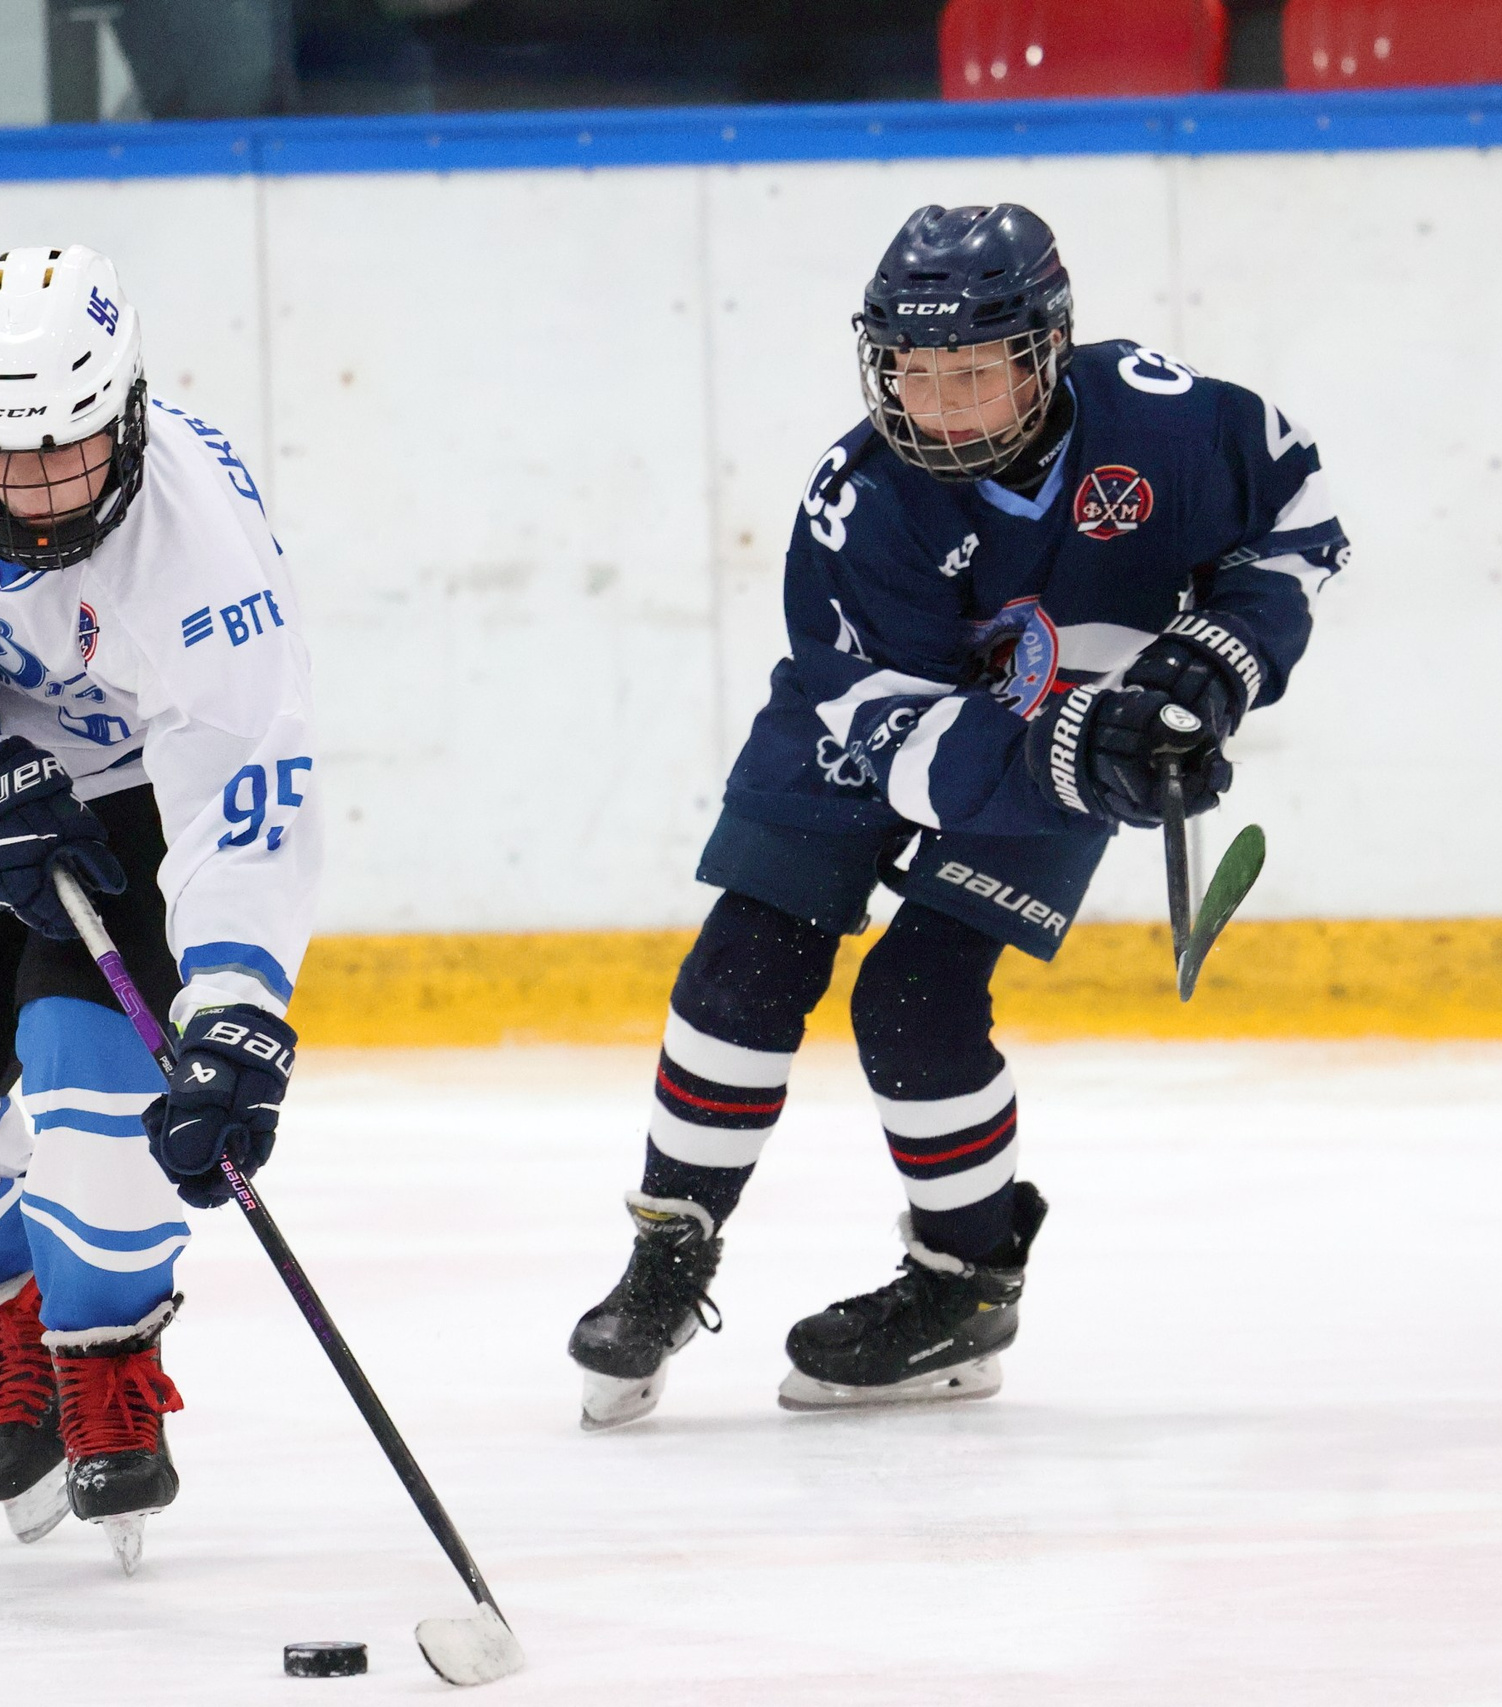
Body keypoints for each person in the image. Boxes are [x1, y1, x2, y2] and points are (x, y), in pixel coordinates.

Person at [566, 204, 1349, 1425]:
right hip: (870, 720)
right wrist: (1081, 754)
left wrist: (1216, 658)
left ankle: (962, 1285)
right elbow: (899, 745)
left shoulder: (1168, 419)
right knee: (743, 969)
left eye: (975, 372)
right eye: (913, 373)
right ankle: (669, 1251)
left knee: (916, 1004)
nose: (939, 405)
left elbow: (1297, 520)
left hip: (1077, 727)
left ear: (1047, 350)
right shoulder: (860, 500)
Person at [0, 245, 317, 1568]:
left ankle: (103, 1352)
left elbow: (243, 789)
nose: (34, 492)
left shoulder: (204, 543)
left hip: (142, 784)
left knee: (98, 1099)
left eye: (69, 450)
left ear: (128, 413)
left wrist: (239, 1010)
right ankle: (27, 1310)